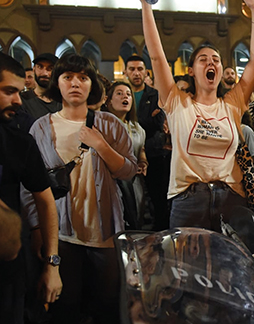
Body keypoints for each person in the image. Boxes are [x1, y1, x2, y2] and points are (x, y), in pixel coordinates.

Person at [129, 0, 254, 235]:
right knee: (189, 273)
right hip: (189, 201)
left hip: (231, 199)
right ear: (191, 71)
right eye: (203, 59)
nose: (211, 62)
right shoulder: (177, 103)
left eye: (216, 59)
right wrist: (145, 5)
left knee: (230, 273)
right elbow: (156, 56)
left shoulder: (232, 104)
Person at [27, 53, 137, 324]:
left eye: (83, 77)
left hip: (105, 233)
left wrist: (101, 145)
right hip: (61, 234)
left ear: (92, 85)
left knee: (108, 303)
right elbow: (29, 185)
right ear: (58, 83)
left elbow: (128, 171)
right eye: (68, 77)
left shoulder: (110, 124)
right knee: (66, 305)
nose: (75, 83)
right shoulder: (41, 128)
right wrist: (36, 228)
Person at [0, 52, 62, 324]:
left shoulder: (18, 142)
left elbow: (46, 201)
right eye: (8, 91)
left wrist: (52, 265)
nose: (17, 99)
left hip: (7, 273)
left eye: (19, 91)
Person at [125, 55, 171, 230]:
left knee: (158, 198)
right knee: (131, 200)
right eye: (132, 69)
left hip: (155, 153)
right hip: (128, 155)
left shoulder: (155, 94)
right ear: (126, 72)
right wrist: (146, 121)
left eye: (140, 69)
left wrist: (138, 124)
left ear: (146, 72)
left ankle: (161, 234)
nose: (136, 73)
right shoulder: (123, 93)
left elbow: (157, 124)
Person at [105, 81, 149, 228]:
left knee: (136, 220)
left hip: (135, 182)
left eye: (128, 94)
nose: (125, 96)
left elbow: (141, 148)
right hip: (113, 183)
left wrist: (143, 162)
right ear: (109, 100)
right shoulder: (104, 125)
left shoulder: (137, 127)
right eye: (119, 93)